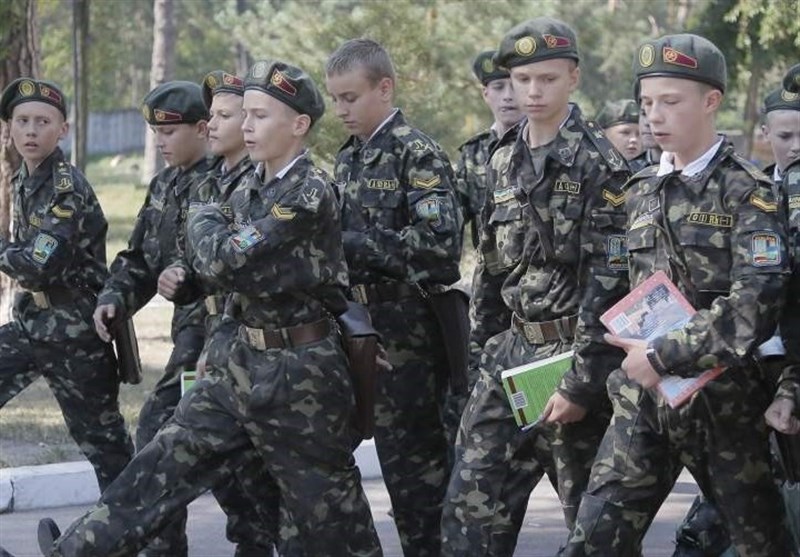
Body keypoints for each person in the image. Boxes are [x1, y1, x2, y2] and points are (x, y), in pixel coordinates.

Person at [36, 59, 382, 557]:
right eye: (246, 115)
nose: (246, 125)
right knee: (158, 468)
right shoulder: (243, 187)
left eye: (260, 116)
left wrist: (203, 215)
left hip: (299, 378)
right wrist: (215, 338)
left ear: (299, 125)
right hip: (236, 363)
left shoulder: (308, 191)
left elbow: (224, 260)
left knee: (331, 524)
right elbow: (217, 279)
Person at [562, 34, 791, 557]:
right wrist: (580, 381)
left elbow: (756, 301)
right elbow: (610, 293)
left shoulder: (748, 192)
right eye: (647, 104)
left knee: (760, 543)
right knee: (593, 541)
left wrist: (665, 355)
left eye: (671, 101)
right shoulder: (638, 190)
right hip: (642, 402)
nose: (654, 117)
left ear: (711, 101)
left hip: (724, 405)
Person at [440, 17, 630, 556]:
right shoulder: (501, 160)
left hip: (573, 357)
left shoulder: (600, 164)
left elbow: (610, 281)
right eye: (522, 80)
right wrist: (482, 356)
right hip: (510, 355)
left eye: (546, 78)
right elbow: (493, 270)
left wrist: (582, 381)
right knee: (468, 510)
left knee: (589, 522)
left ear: (572, 77)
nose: (533, 91)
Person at [325, 38, 462, 556]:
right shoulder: (351, 157)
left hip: (408, 334)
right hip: (361, 328)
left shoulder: (415, 152)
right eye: (335, 99)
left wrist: (352, 242)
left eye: (350, 97)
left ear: (385, 88)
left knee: (416, 477)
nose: (340, 110)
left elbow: (440, 250)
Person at [157, 71, 282, 557]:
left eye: (226, 116)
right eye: (214, 115)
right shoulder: (207, 181)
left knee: (234, 454)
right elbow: (185, 260)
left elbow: (236, 264)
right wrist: (176, 276)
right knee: (172, 434)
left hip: (239, 341)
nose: (210, 125)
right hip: (204, 335)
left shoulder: (264, 182)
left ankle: (254, 544)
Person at [91, 80, 210, 557]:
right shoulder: (165, 184)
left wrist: (187, 278)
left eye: (170, 130)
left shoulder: (222, 182)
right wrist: (115, 296)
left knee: (169, 439)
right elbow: (140, 258)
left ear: (202, 129)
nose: (160, 141)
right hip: (190, 340)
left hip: (217, 339)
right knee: (173, 443)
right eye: (155, 131)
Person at [0, 78, 133, 491]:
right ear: (9, 129)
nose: (30, 130)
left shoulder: (65, 187)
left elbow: (40, 265)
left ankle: (149, 541)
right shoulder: (25, 179)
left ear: (64, 130)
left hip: (75, 332)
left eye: (42, 121)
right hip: (33, 323)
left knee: (105, 446)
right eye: (22, 121)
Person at [456, 49, 521, 250]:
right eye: (499, 87)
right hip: (490, 277)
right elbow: (451, 220)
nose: (508, 96)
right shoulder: (473, 154)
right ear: (486, 94)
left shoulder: (547, 145)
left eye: (515, 87)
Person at [630, 104, 663, 172]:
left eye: (658, 115)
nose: (647, 123)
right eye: (644, 114)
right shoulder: (629, 173)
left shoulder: (689, 171)